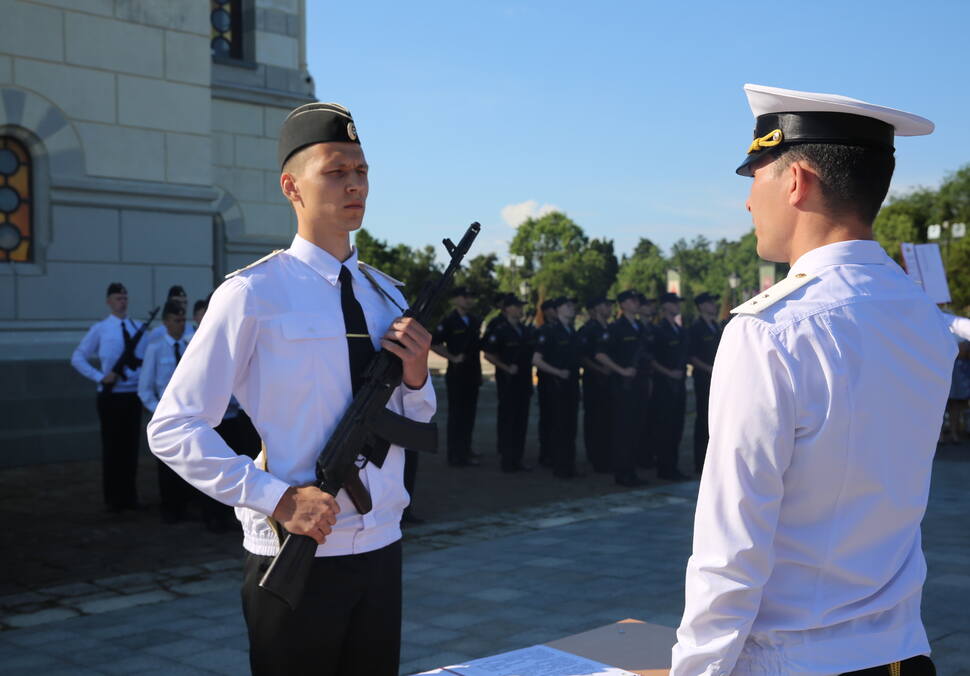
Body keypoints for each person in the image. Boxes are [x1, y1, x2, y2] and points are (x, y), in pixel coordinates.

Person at [671, 84, 952, 676]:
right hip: (902, 652)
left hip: (794, 661)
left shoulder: (771, 331)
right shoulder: (924, 319)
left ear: (796, 182)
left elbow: (731, 550)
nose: (748, 202)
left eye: (755, 176)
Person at [147, 102, 435, 675]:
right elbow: (173, 427)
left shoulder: (388, 296)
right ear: (291, 187)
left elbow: (416, 421)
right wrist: (276, 497)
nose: (355, 184)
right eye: (336, 171)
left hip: (380, 549)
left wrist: (417, 374)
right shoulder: (254, 293)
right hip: (294, 552)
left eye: (361, 171)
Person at [71, 282, 149, 512]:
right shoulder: (101, 329)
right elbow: (78, 357)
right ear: (108, 302)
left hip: (132, 395)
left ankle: (130, 495)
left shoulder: (137, 328)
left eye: (124, 297)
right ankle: (114, 498)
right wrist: (99, 376)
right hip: (110, 396)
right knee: (112, 447)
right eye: (117, 298)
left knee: (131, 447)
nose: (122, 301)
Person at [138, 300, 193, 523]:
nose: (180, 325)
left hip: (188, 415)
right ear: (166, 322)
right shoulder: (155, 348)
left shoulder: (191, 347)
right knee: (167, 466)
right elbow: (145, 388)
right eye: (176, 320)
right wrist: (158, 412)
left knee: (189, 464)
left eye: (183, 320)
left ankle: (186, 505)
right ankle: (170, 509)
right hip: (166, 415)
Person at [596, 290, 646, 487]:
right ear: (623, 305)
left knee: (635, 429)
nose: (636, 303)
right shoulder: (616, 327)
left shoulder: (640, 327)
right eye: (632, 301)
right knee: (623, 430)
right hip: (622, 386)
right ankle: (622, 472)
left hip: (639, 385)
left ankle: (631, 470)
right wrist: (621, 370)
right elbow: (600, 354)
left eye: (637, 300)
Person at [483, 294, 535, 472]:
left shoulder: (524, 330)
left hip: (524, 382)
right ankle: (507, 460)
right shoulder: (500, 329)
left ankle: (518, 459)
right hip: (508, 383)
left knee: (521, 421)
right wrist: (505, 367)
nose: (521, 309)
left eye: (521, 306)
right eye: (517, 306)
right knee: (508, 421)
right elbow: (488, 354)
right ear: (507, 308)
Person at [431, 287, 483, 467]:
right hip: (457, 374)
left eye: (471, 297)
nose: (469, 300)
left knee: (469, 414)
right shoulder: (448, 320)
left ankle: (466, 449)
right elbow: (434, 343)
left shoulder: (475, 320)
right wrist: (452, 357)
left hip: (473, 373)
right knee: (457, 415)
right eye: (465, 297)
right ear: (455, 300)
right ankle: (455, 454)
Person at [533, 297, 582, 478]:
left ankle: (569, 465)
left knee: (571, 427)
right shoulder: (550, 331)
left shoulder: (571, 331)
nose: (571, 308)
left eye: (572, 305)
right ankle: (560, 466)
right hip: (557, 386)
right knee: (559, 427)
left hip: (572, 386)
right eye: (567, 306)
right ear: (558, 309)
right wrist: (557, 372)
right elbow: (536, 359)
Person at [651, 292, 690, 481]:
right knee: (664, 428)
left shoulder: (679, 330)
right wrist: (668, 373)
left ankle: (672, 466)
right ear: (665, 306)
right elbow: (651, 359)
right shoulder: (659, 330)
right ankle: (664, 468)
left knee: (676, 428)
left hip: (678, 384)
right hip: (664, 386)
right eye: (674, 303)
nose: (677, 306)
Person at [687, 291, 721, 474]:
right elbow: (691, 356)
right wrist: (709, 369)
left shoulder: (714, 326)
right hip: (703, 378)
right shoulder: (696, 328)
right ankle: (700, 463)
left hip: (715, 377)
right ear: (701, 306)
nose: (713, 306)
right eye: (709, 303)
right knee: (703, 420)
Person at [578, 297, 613, 473]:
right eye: (605, 305)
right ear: (595, 308)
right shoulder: (588, 329)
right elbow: (583, 357)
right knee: (594, 419)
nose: (609, 308)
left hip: (609, 382)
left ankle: (606, 455)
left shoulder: (609, 328)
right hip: (594, 381)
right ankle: (595, 457)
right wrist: (599, 369)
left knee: (607, 420)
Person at [535, 298, 559, 467]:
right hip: (547, 381)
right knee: (547, 418)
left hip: (560, 382)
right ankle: (546, 453)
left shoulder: (561, 330)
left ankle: (554, 451)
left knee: (558, 420)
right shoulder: (543, 331)